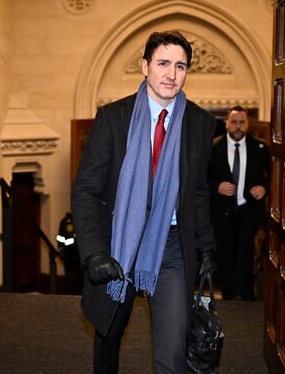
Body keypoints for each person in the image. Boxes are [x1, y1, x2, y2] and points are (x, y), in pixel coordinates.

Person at [71, 30, 216, 374]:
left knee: (173, 350)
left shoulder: (200, 123)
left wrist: (206, 244)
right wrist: (93, 252)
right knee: (108, 336)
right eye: (163, 63)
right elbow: (85, 190)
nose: (171, 74)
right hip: (118, 246)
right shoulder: (113, 118)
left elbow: (197, 192)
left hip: (171, 247)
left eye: (180, 66)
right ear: (145, 66)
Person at [208, 105, 270, 301]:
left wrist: (264, 188)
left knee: (245, 257)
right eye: (233, 122)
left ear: (247, 124)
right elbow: (200, 180)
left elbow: (276, 177)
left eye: (242, 122)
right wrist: (217, 187)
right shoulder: (213, 148)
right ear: (227, 124)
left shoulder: (259, 148)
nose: (237, 126)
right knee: (224, 258)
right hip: (221, 213)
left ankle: (245, 300)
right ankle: (227, 300)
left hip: (248, 212)